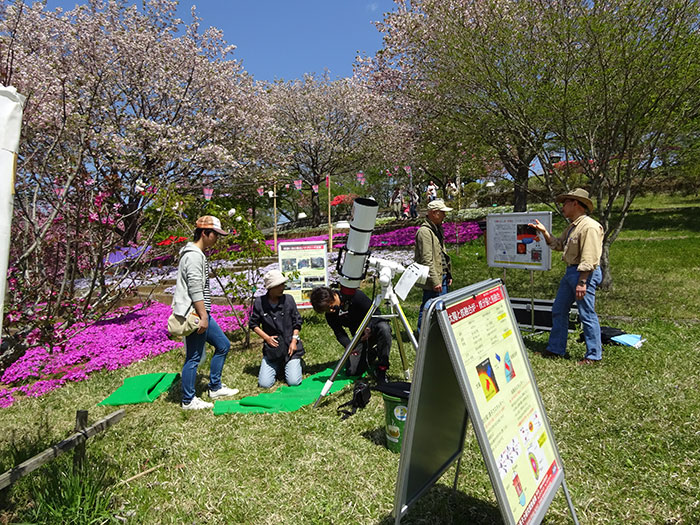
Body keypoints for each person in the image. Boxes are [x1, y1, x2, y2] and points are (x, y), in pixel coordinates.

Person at [529, 188, 605, 364]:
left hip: (583, 274)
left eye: (565, 203)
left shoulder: (590, 227)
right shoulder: (573, 227)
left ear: (576, 204)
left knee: (587, 314)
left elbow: (590, 256)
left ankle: (593, 356)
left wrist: (583, 282)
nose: (562, 206)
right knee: (559, 310)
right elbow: (558, 244)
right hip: (571, 272)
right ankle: (556, 349)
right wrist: (544, 232)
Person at [172, 215, 239, 410]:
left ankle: (215, 387)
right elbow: (195, 289)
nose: (217, 238)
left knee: (223, 345)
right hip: (195, 314)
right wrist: (203, 316)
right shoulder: (193, 255)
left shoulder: (196, 253)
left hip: (202, 313)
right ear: (204, 233)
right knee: (193, 357)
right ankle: (188, 400)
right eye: (215, 234)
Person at [309, 286, 391, 383]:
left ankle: (382, 368)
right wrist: (349, 346)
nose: (331, 311)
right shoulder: (330, 315)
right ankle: (373, 352)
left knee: (384, 328)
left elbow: (376, 313)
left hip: (374, 328)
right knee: (353, 371)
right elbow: (339, 333)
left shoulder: (355, 296)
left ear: (333, 295)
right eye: (326, 310)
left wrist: (369, 327)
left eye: (330, 306)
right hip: (359, 337)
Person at [249, 270, 304, 388]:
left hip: (290, 345)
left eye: (282, 284)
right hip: (273, 348)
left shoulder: (288, 299)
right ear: (270, 287)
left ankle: (295, 362)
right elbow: (253, 324)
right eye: (278, 285)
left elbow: (297, 322)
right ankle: (279, 365)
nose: (282, 287)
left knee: (294, 382)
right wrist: (266, 338)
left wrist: (294, 341)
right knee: (264, 384)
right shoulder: (259, 302)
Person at [415, 199, 453, 332]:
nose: (444, 215)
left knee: (440, 307)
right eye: (442, 212)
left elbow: (442, 254)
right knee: (428, 307)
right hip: (433, 278)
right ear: (433, 213)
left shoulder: (437, 229)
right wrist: (435, 280)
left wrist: (448, 274)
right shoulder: (424, 232)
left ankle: (436, 334)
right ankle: (422, 334)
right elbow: (427, 259)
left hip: (441, 276)